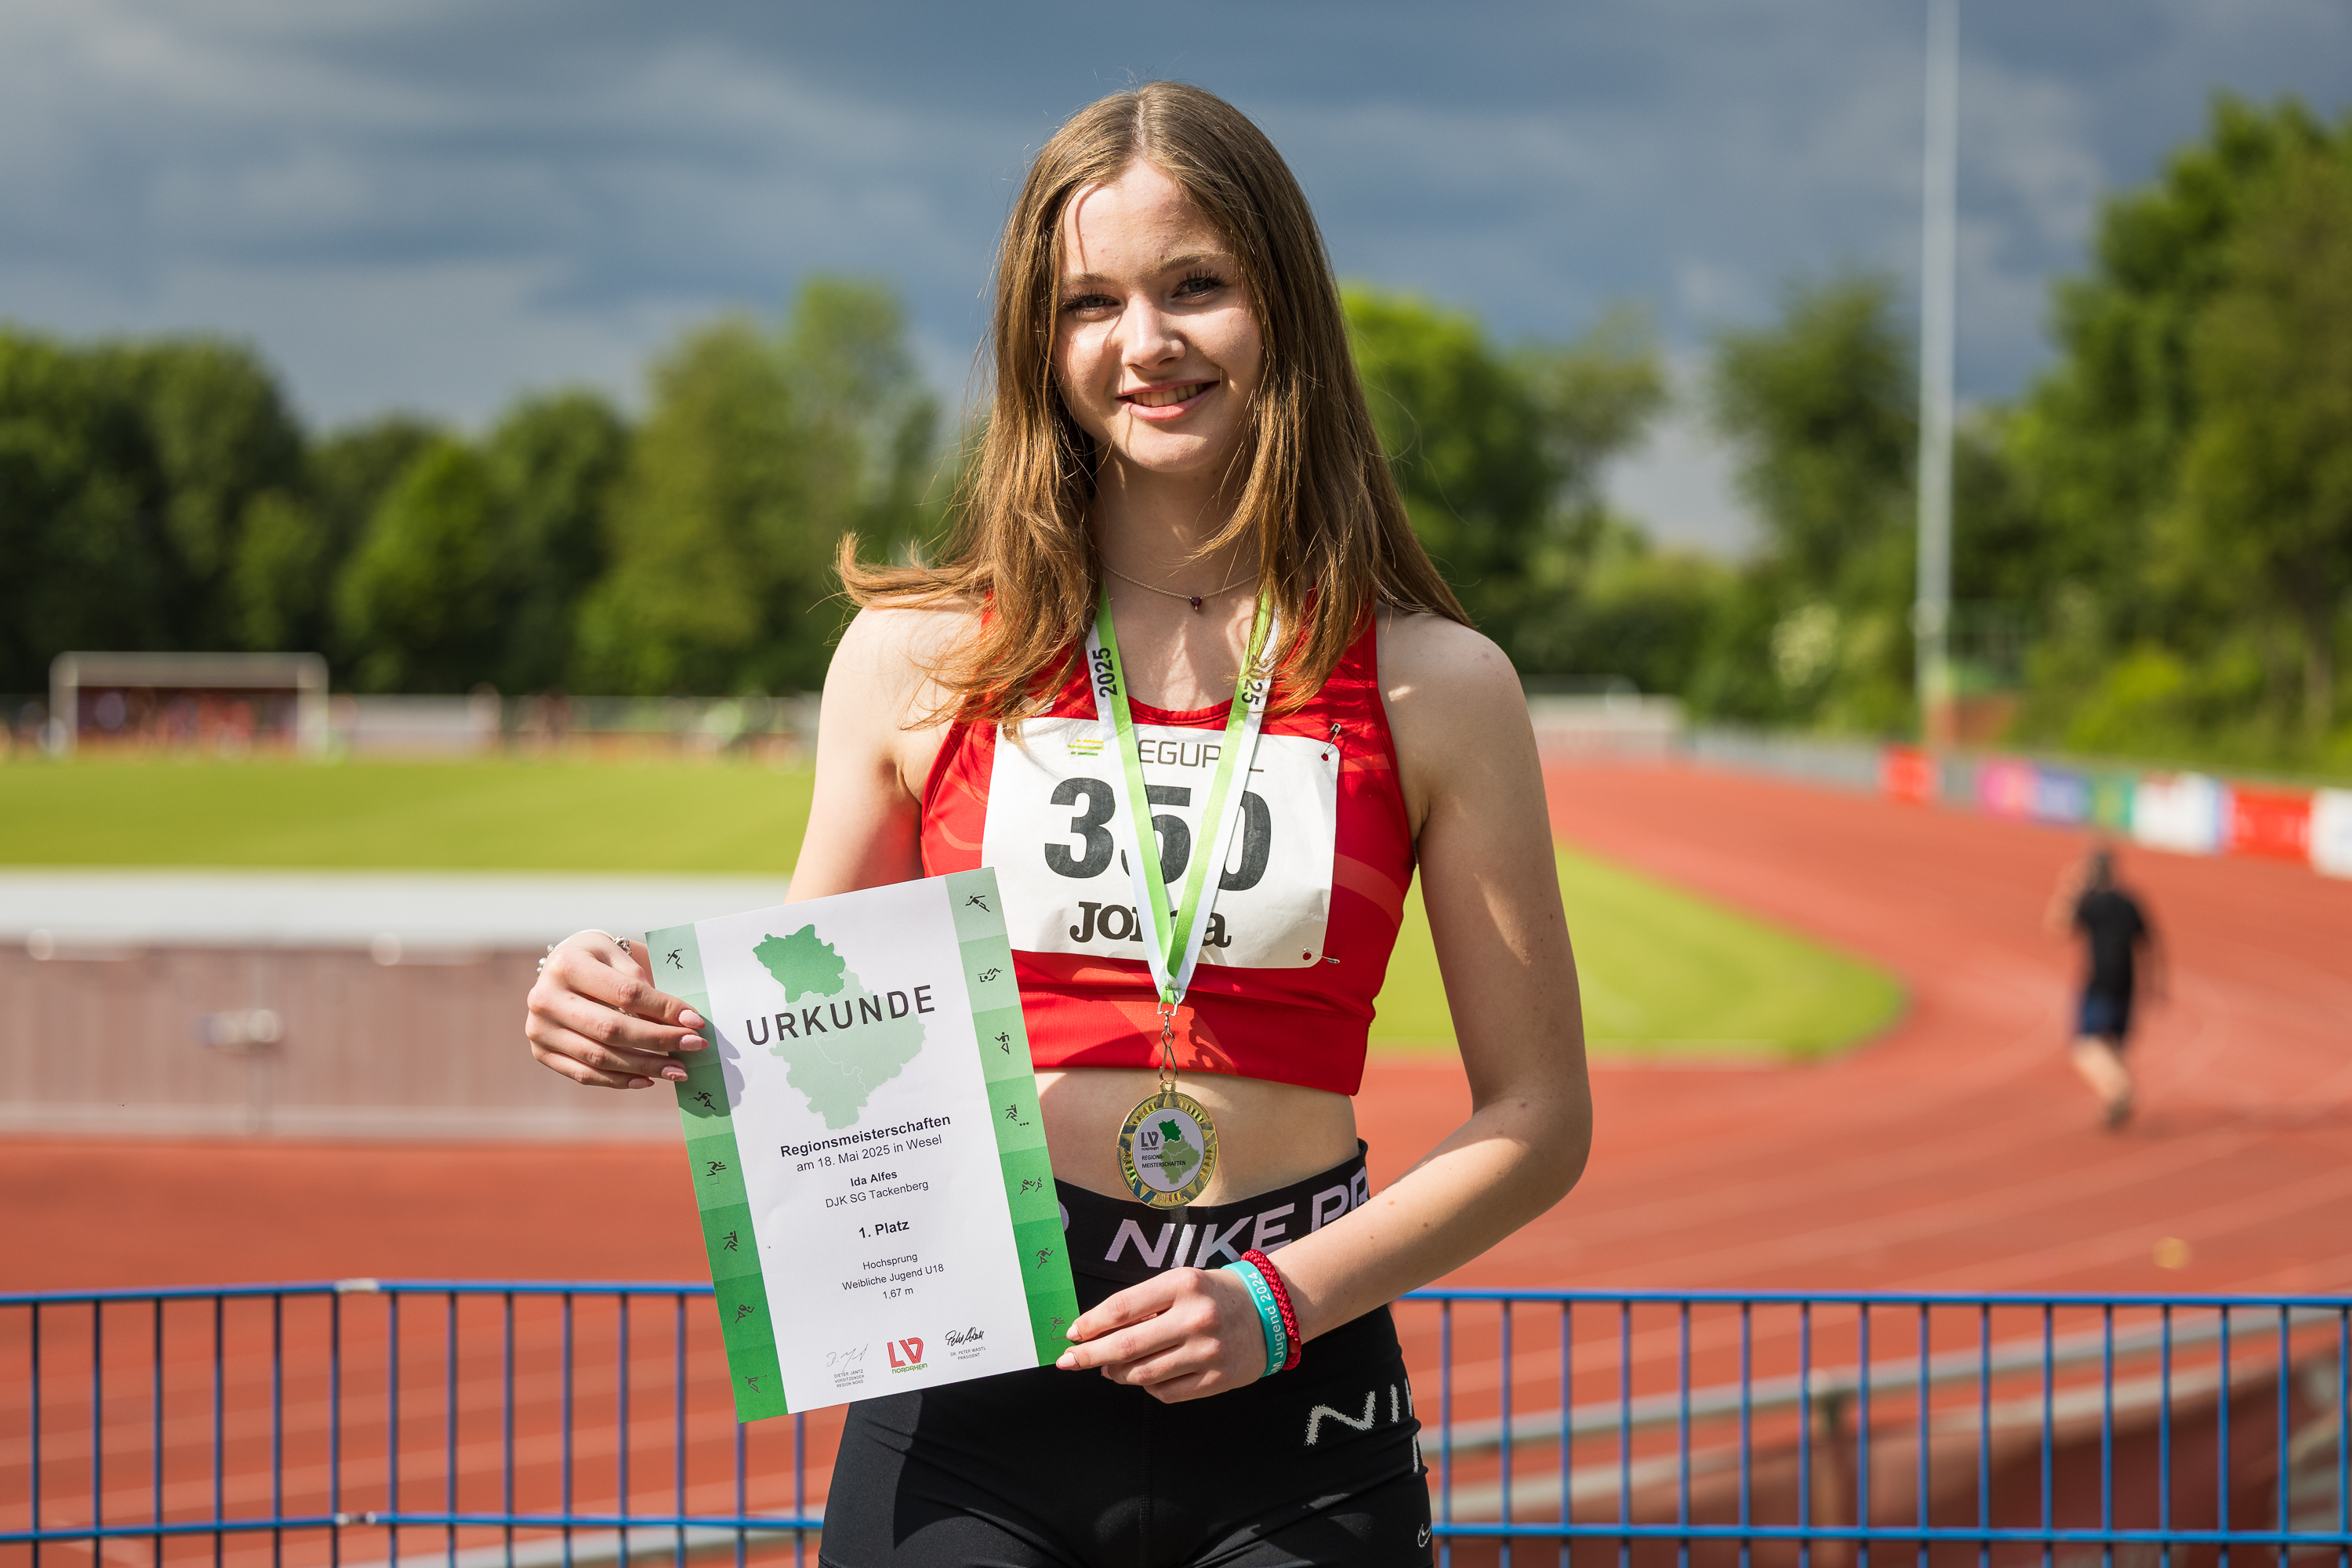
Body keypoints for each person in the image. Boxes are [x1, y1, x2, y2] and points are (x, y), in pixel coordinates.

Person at [524, 81, 1591, 1568]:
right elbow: (803, 1015)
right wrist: (620, 998)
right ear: (1042, 339)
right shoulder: (918, 659)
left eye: (1195, 286)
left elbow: (1540, 1121)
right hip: (973, 1394)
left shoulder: (1437, 685)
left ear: (1281, 305)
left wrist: (1282, 1299)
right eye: (1090, 301)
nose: (1144, 342)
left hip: (1295, 1386)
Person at [2044, 843, 2165, 1130]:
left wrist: (2070, 888)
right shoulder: (2130, 901)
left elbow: (2056, 928)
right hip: (2128, 983)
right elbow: (2149, 944)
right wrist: (2155, 982)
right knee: (2117, 1047)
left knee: (2085, 1047)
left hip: (2100, 983)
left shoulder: (2090, 900)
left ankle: (2118, 1090)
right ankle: (2113, 1104)